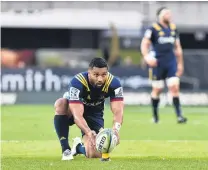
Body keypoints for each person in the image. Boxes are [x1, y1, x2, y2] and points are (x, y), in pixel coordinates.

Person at [54, 57, 124, 161]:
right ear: (89, 73)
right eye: (96, 75)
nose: (100, 79)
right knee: (61, 103)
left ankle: (78, 147)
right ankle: (66, 149)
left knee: (95, 154)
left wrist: (116, 130)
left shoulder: (114, 83)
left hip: (95, 113)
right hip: (75, 109)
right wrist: (88, 132)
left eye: (104, 74)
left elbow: (118, 110)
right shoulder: (77, 82)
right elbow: (77, 115)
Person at [140, 7, 187, 124]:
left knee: (174, 87)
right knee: (158, 89)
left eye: (169, 13)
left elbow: (178, 48)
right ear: (159, 16)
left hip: (171, 62)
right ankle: (155, 116)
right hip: (157, 63)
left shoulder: (173, 28)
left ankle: (179, 116)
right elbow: (144, 44)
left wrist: (180, 64)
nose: (169, 15)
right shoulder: (153, 29)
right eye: (166, 13)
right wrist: (147, 57)